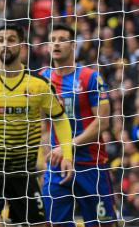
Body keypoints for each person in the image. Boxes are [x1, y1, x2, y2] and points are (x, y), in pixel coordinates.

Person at [0, 23, 74, 227]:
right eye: (1, 40)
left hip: (22, 172)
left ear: (22, 45)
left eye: (11, 40)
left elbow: (60, 118)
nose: (5, 45)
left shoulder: (39, 84)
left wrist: (68, 154)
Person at [40, 23, 116, 227]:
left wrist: (68, 146)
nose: (56, 44)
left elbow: (103, 122)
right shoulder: (43, 79)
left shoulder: (90, 77)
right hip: (56, 168)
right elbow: (36, 120)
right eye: (52, 40)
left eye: (62, 39)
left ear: (73, 45)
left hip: (91, 165)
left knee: (104, 224)